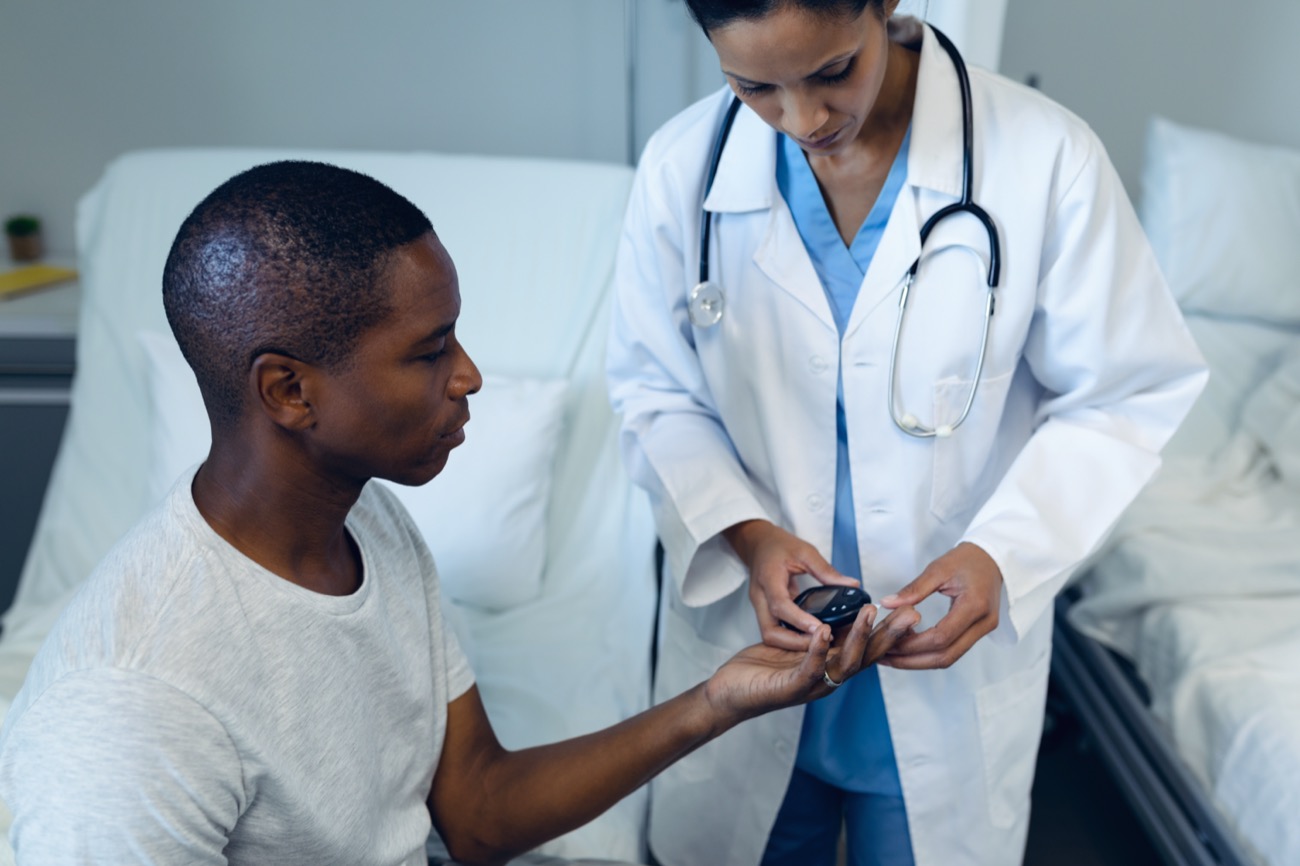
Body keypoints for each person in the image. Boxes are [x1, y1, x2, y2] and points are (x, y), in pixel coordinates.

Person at [0, 161, 920, 866]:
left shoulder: (369, 529)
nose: (471, 375)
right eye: (430, 352)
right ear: (288, 390)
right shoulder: (134, 710)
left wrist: (719, 699)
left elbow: (475, 811)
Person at [605, 2, 1208, 865]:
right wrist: (747, 536)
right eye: (753, 87)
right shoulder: (681, 168)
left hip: (942, 663)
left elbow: (1126, 392)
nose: (803, 120)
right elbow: (653, 390)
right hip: (757, 645)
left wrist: (1003, 551)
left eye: (832, 71)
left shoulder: (1044, 156)